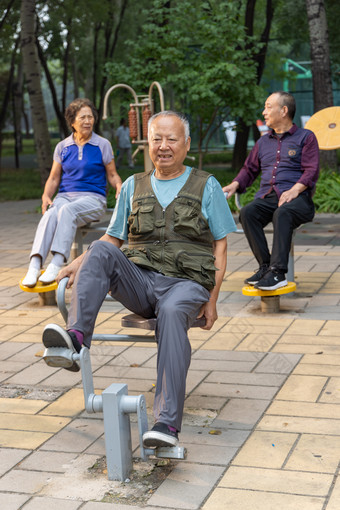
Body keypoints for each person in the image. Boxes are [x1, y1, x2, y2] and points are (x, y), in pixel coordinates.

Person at [41, 110, 237, 448]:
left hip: (186, 283)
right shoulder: (132, 185)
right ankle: (75, 339)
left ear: (186, 145)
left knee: (174, 313)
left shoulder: (207, 185)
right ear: (148, 144)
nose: (163, 146)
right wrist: (77, 262)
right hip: (141, 281)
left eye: (171, 139)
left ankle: (166, 424)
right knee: (99, 251)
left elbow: (221, 246)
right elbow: (112, 239)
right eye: (157, 139)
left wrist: (213, 301)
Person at [223, 91, 319, 290]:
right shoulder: (262, 142)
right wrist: (235, 184)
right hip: (268, 197)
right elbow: (249, 169)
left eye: (268, 106)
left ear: (283, 110)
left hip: (298, 199)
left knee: (283, 212)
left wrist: (295, 190)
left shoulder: (306, 137)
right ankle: (265, 267)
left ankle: (277, 273)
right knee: (248, 213)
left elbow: (312, 170)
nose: (263, 112)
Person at [22, 98, 122, 288]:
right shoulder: (62, 147)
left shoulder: (102, 144)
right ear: (72, 122)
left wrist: (119, 187)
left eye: (90, 117)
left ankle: (57, 262)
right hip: (65, 196)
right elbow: (53, 178)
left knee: (66, 211)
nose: (88, 121)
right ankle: (34, 265)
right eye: (82, 117)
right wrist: (45, 196)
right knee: (52, 212)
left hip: (93, 199)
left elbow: (112, 174)